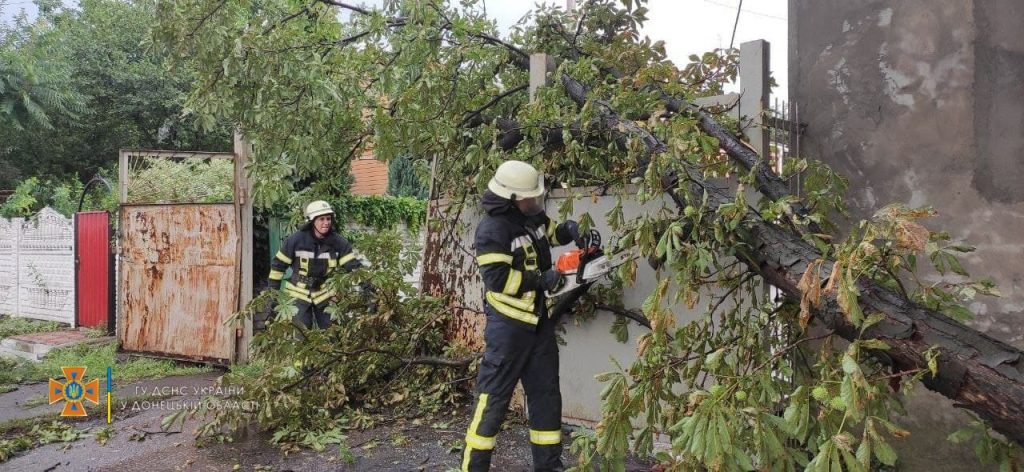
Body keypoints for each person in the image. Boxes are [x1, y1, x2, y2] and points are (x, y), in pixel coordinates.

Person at [462, 160, 581, 472]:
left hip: (539, 324)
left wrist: (571, 231)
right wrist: (540, 280)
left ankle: (549, 466)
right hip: (509, 330)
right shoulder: (492, 230)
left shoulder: (531, 216)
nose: (536, 202)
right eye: (531, 197)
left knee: (546, 398)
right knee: (492, 402)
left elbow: (551, 233)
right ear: (512, 198)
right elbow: (498, 280)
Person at [264, 200, 365, 330]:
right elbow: (278, 267)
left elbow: (354, 267)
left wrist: (368, 286)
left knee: (334, 334)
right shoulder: (295, 240)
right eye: (322, 219)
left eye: (328, 218)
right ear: (311, 221)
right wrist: (273, 296)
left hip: (326, 293)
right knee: (301, 335)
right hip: (297, 293)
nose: (326, 222)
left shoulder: (339, 242)